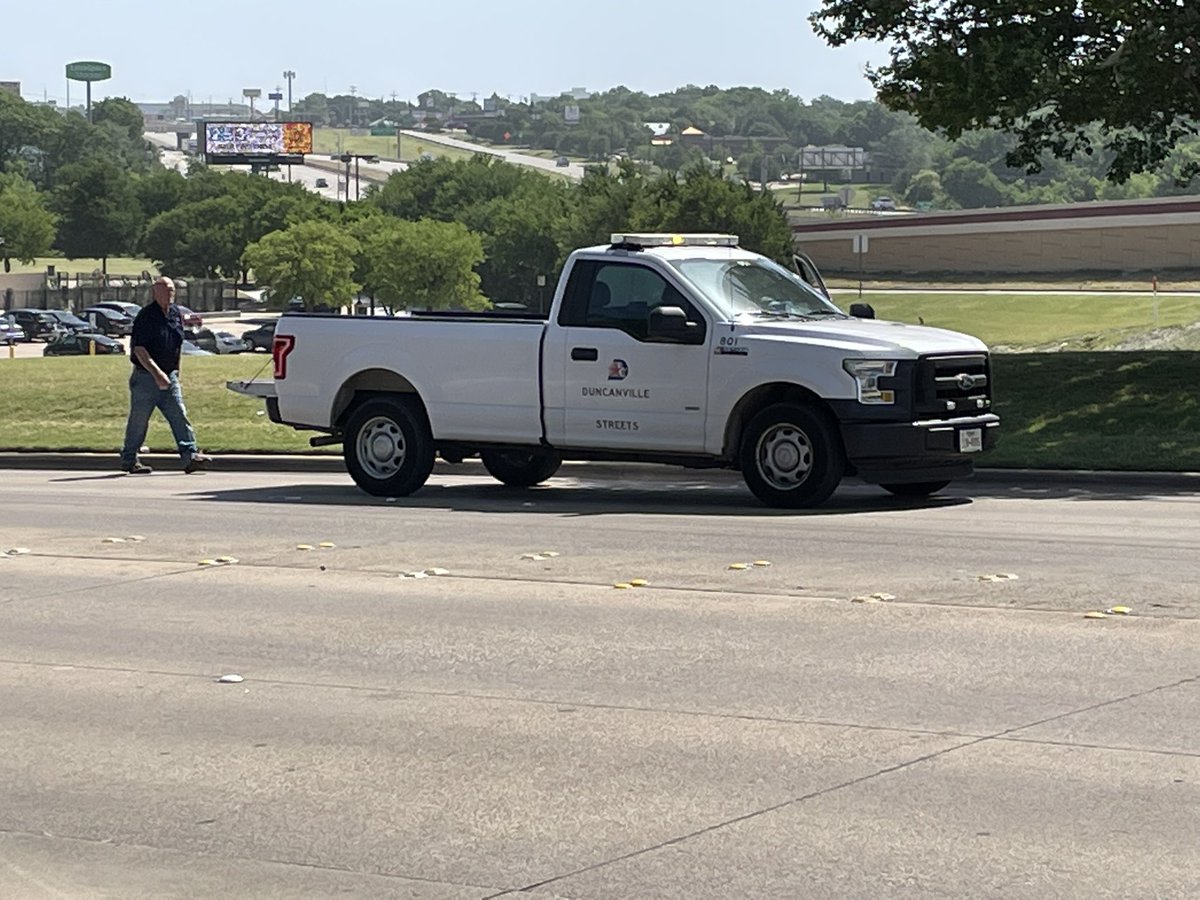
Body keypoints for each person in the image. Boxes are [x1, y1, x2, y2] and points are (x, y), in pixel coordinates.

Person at [119, 277, 212, 475]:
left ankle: (190, 456)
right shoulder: (146, 316)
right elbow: (139, 350)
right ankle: (129, 458)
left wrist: (175, 371)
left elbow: (176, 344)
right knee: (139, 421)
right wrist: (157, 374)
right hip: (146, 378)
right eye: (164, 290)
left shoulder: (176, 314)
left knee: (179, 415)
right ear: (155, 292)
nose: (169, 294)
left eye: (171, 290)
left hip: (170, 377)